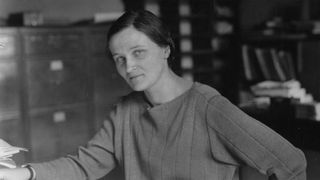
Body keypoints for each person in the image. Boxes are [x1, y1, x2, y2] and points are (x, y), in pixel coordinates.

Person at [0, 10, 306, 180]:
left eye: (138, 52)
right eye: (119, 58)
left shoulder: (209, 107)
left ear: (165, 49)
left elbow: (290, 163)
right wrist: (19, 175)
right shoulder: (125, 111)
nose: (129, 66)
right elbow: (83, 166)